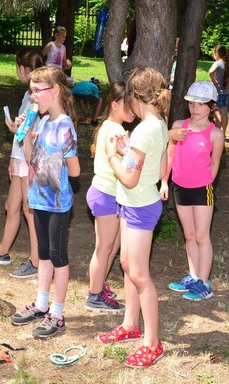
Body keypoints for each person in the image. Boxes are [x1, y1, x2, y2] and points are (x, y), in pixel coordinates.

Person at [97, 67, 169, 368]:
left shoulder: (143, 130)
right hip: (133, 204)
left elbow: (128, 179)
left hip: (139, 207)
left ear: (135, 97)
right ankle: (130, 324)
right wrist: (128, 152)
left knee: (139, 274)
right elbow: (160, 164)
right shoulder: (158, 124)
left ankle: (152, 343)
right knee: (127, 265)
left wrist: (112, 154)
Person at [9, 66, 80, 339]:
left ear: (56, 91)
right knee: (44, 254)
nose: (33, 96)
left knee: (58, 256)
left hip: (57, 203)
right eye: (31, 91)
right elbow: (30, 159)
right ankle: (41, 305)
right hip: (38, 199)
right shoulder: (43, 122)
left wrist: (56, 157)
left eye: (37, 90)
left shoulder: (65, 126)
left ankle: (57, 313)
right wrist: (25, 132)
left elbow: (75, 171)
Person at [161, 81, 224, 301]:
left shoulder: (215, 134)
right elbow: (170, 154)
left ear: (211, 106)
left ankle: (204, 283)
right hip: (180, 187)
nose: (195, 108)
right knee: (189, 235)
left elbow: (215, 163)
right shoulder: (179, 126)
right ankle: (194, 275)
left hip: (202, 190)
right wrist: (165, 181)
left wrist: (207, 184)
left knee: (201, 236)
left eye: (201, 104)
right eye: (191, 103)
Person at [0, 48, 44, 279]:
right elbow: (23, 129)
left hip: (30, 160)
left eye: (17, 67)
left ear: (23, 68)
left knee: (29, 211)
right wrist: (13, 156)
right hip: (20, 158)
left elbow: (36, 133)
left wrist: (17, 130)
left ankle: (36, 261)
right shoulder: (28, 95)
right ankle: (2, 252)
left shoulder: (37, 97)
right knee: (11, 205)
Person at [85, 82, 134, 314]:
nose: (133, 110)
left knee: (111, 246)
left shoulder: (110, 125)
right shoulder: (116, 131)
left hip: (107, 194)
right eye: (128, 105)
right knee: (104, 248)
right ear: (115, 104)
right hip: (106, 194)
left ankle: (99, 285)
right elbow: (129, 163)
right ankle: (94, 296)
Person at [208, 45, 229, 135]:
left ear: (217, 53)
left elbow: (210, 72)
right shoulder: (228, 65)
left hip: (217, 92)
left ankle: (216, 132)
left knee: (217, 114)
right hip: (225, 92)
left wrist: (214, 81)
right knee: (224, 113)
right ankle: (223, 133)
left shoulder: (217, 63)